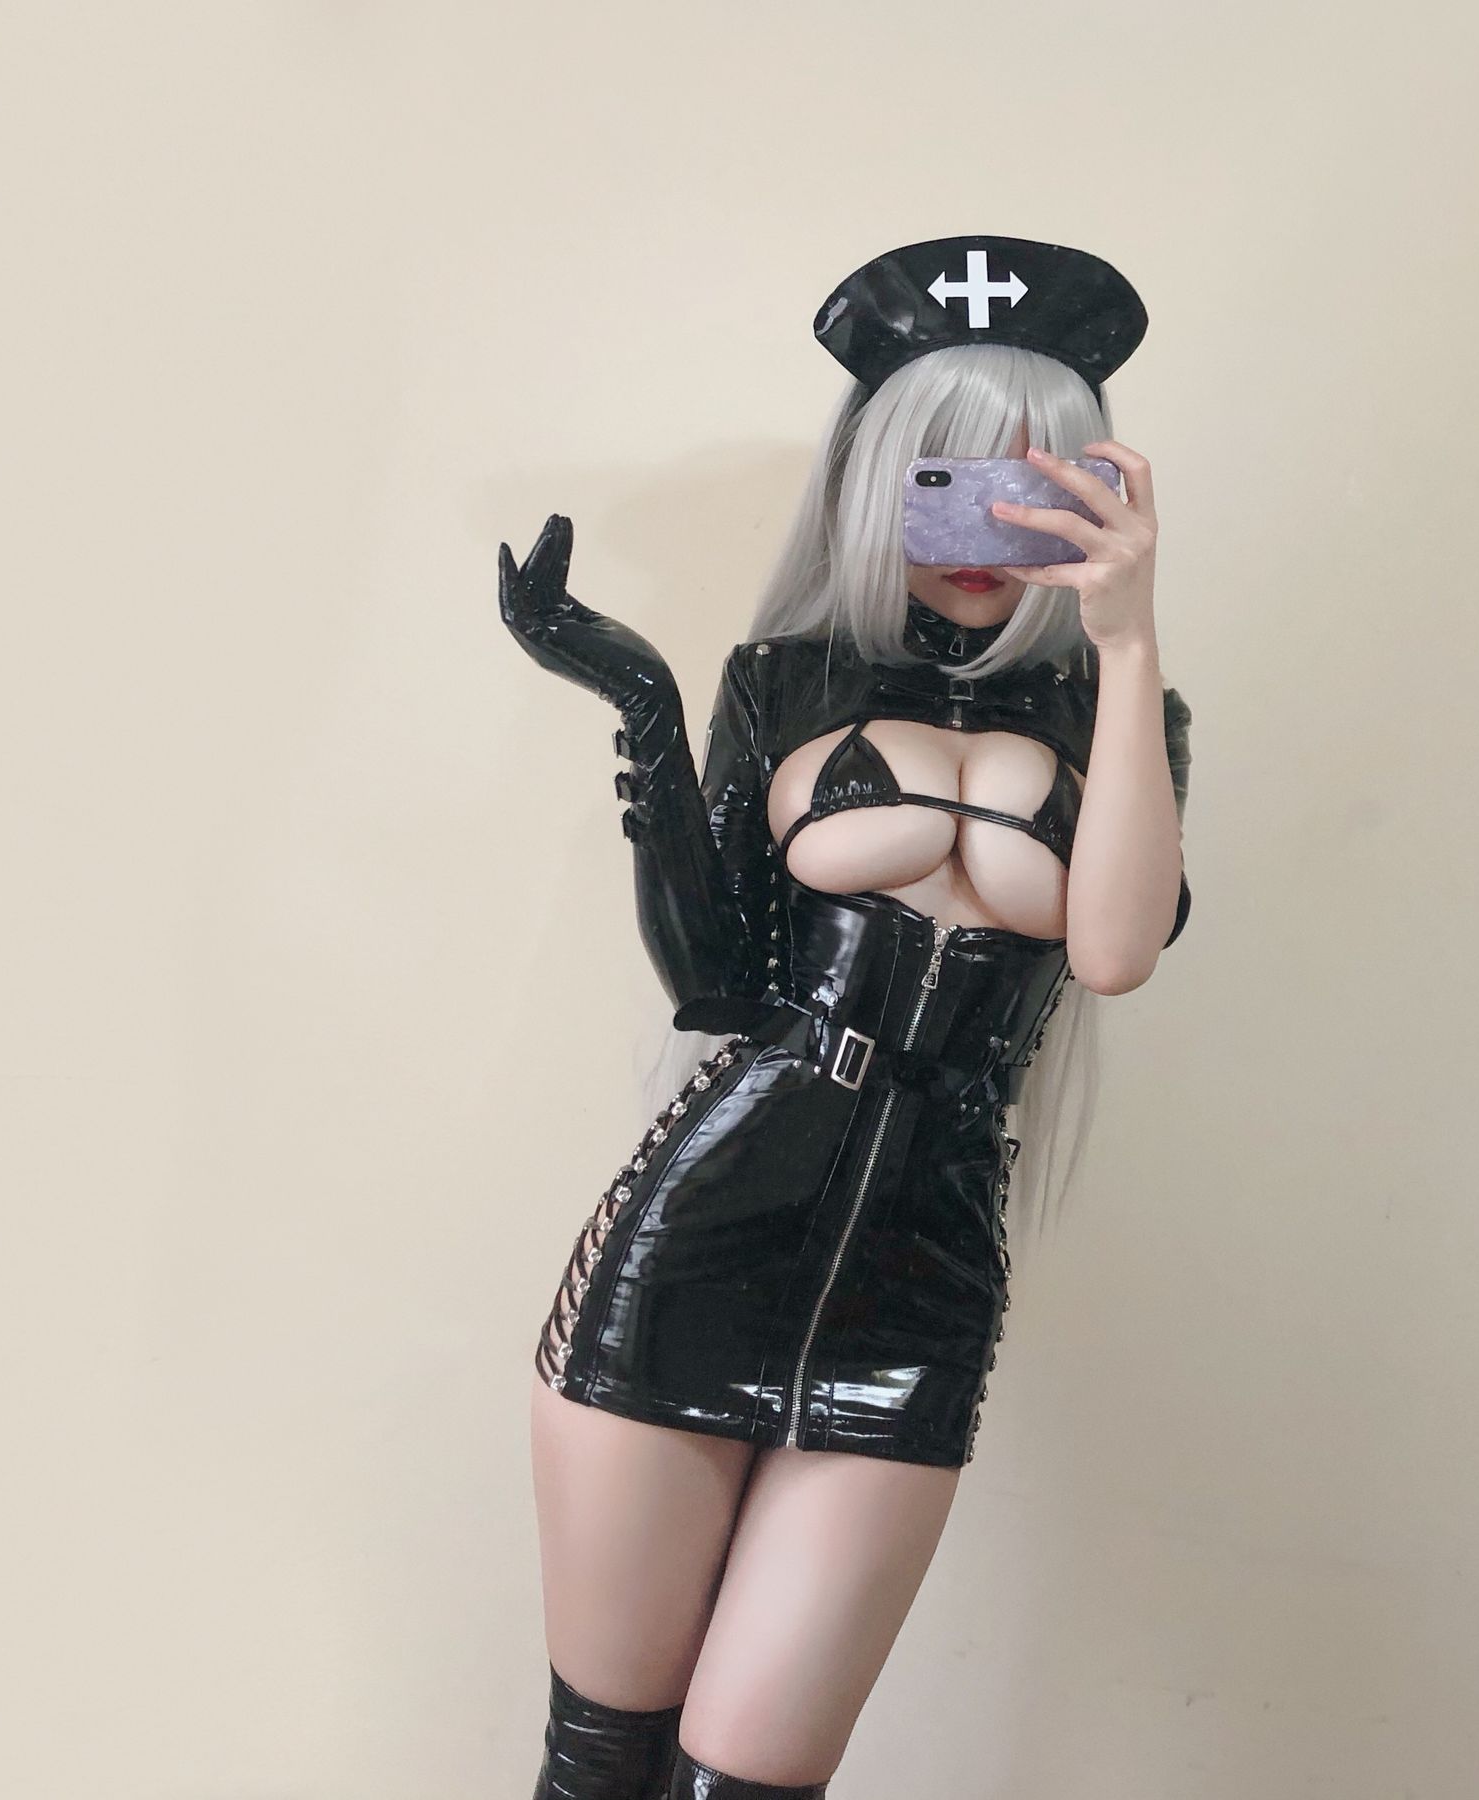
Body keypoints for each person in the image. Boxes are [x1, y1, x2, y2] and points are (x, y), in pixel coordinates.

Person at [498, 235, 1194, 1799]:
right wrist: (642, 704)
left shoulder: (1117, 717)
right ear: (876, 478)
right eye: (943, 477)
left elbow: (1114, 951)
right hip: (690, 1251)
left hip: (919, 1291)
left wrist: (1129, 638)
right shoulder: (791, 680)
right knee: (600, 1770)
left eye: (1029, 484)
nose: (983, 523)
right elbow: (713, 980)